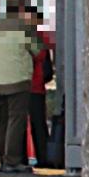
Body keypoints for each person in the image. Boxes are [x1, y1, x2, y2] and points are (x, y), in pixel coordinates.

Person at [0, 0, 43, 174]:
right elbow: (38, 49)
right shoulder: (23, 29)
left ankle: (2, 157)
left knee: (2, 120)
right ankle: (12, 161)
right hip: (18, 80)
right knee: (16, 119)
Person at [28, 20, 56, 167]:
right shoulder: (38, 30)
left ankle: (16, 158)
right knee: (38, 123)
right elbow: (40, 53)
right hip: (35, 84)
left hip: (25, 82)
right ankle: (43, 157)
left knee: (16, 122)